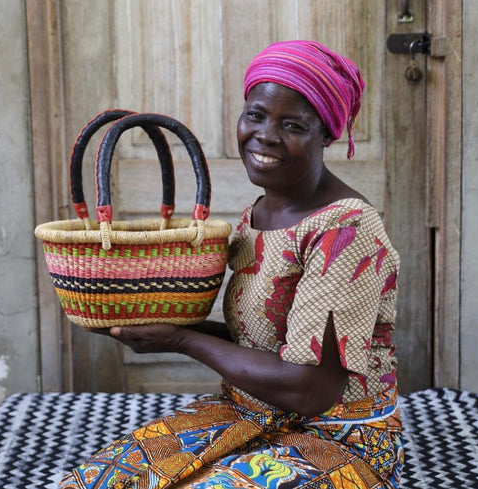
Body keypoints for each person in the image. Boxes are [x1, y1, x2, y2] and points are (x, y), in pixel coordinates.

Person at [59, 40, 403, 489]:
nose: (266, 135)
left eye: (293, 125)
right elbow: (266, 344)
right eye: (256, 115)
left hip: (337, 439)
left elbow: (310, 388)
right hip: (248, 414)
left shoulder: (347, 231)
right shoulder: (256, 214)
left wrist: (182, 340)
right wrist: (151, 327)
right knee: (97, 481)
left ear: (326, 134)